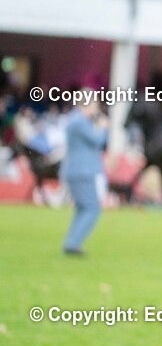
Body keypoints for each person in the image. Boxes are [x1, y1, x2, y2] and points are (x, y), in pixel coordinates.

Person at [61, 96, 108, 255]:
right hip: (83, 171)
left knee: (83, 208)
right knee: (92, 208)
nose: (96, 109)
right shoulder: (79, 122)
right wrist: (102, 127)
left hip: (76, 170)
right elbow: (97, 141)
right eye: (95, 105)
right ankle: (72, 244)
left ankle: (72, 242)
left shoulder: (73, 120)